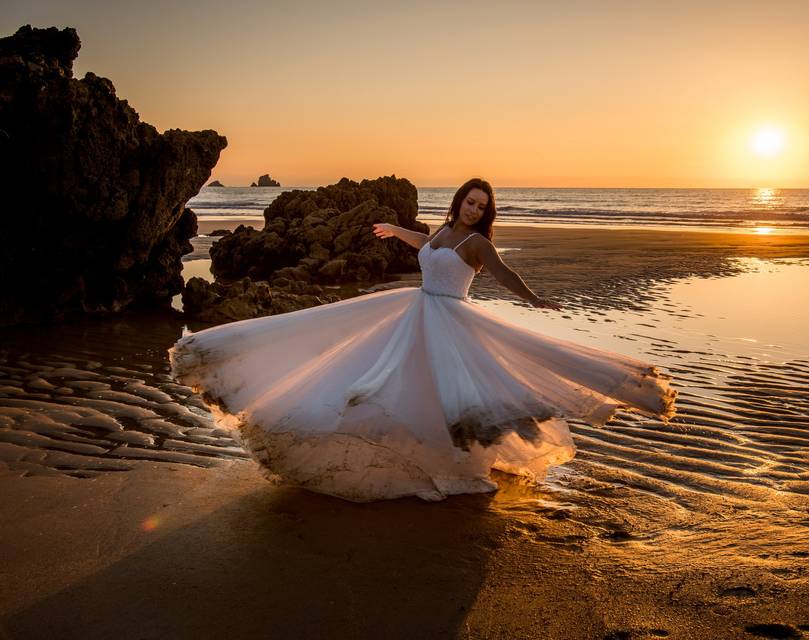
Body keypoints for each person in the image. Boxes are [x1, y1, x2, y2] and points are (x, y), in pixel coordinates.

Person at [169, 177, 676, 503]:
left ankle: (457, 460)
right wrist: (396, 229)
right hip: (414, 311)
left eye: (482, 206)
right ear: (459, 202)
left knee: (451, 392)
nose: (475, 210)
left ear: (486, 212)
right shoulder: (441, 230)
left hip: (452, 321)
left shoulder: (478, 243)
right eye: (470, 202)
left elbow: (503, 274)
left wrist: (536, 300)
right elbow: (428, 248)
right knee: (381, 377)